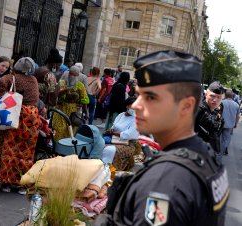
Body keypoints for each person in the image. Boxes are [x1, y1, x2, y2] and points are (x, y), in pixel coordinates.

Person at [96, 50, 229, 226]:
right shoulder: (207, 159)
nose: (136, 105)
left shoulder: (163, 182)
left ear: (186, 105)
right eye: (139, 94)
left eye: (150, 97)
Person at [0, 57, 39, 195]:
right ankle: (21, 184)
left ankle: (5, 182)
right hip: (32, 116)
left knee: (9, 148)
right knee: (26, 151)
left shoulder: (12, 78)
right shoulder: (34, 80)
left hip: (16, 114)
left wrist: (5, 97)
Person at [53, 65, 89, 141]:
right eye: (71, 74)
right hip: (61, 110)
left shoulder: (80, 85)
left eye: (74, 75)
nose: (72, 76)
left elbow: (84, 100)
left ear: (78, 75)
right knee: (59, 130)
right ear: (68, 74)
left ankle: (66, 149)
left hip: (73, 113)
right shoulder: (62, 83)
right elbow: (57, 95)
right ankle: (56, 148)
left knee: (70, 131)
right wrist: (66, 90)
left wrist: (86, 113)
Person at [103, 97, 140, 171]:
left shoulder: (136, 119)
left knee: (109, 149)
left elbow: (129, 135)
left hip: (128, 144)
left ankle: (107, 169)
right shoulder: (121, 115)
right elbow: (114, 126)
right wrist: (111, 130)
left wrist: (114, 133)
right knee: (100, 144)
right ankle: (100, 166)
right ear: (127, 106)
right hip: (115, 139)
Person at [195, 81, 224, 162]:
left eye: (219, 97)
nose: (215, 100)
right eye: (212, 96)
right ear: (206, 94)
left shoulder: (215, 112)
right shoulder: (198, 110)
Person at [220, 89, 240, 156]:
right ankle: (222, 150)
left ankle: (219, 150)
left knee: (218, 137)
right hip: (230, 125)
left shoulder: (221, 102)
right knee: (226, 139)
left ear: (225, 95)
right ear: (232, 96)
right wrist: (236, 124)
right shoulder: (236, 105)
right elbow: (238, 116)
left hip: (220, 124)